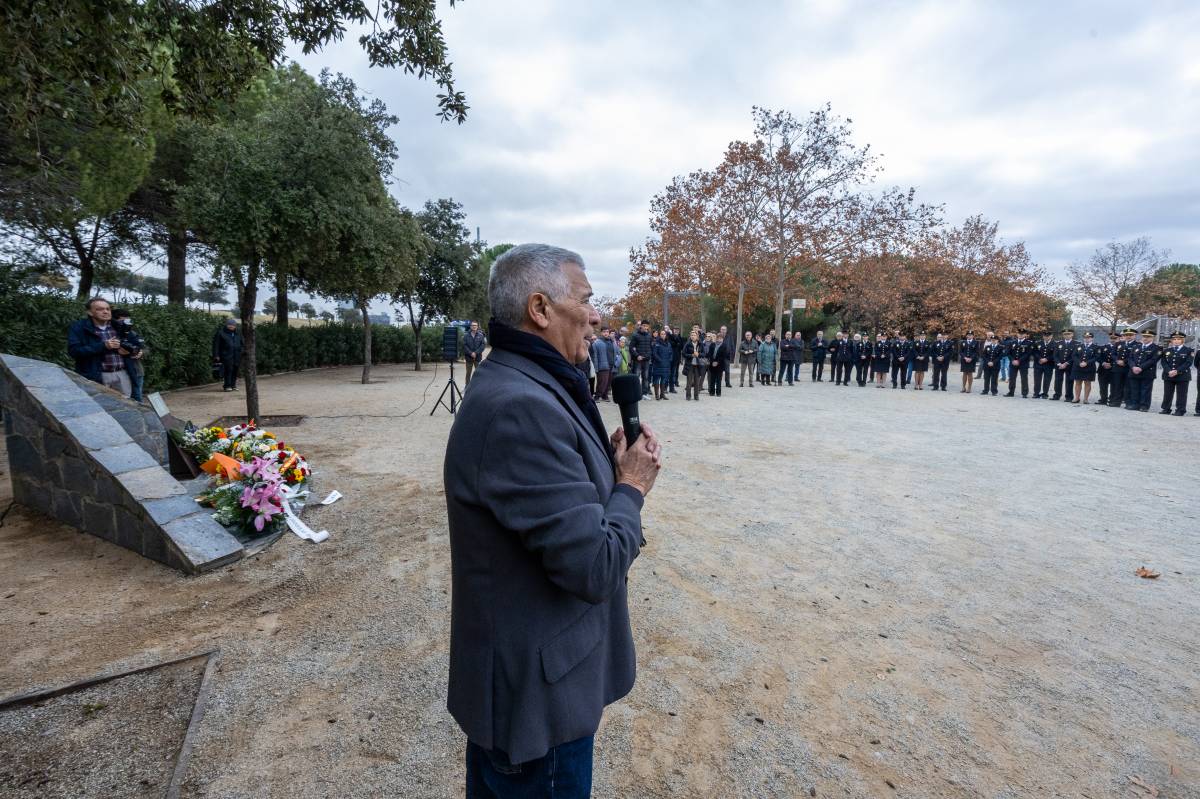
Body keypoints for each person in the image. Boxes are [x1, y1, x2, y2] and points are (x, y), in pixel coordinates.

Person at [443, 243, 662, 798]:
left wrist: (609, 474)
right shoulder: (522, 405)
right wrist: (632, 487)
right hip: (539, 709)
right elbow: (594, 567)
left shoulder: (528, 381)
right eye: (586, 301)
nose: (596, 318)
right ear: (540, 309)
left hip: (534, 690)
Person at [67, 297, 132, 395]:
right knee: (99, 406)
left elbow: (137, 345)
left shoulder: (119, 326)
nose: (105, 312)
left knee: (126, 407)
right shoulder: (79, 327)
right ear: (90, 312)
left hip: (121, 374)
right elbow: (74, 351)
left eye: (107, 309)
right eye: (100, 309)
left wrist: (135, 352)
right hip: (97, 375)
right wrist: (103, 346)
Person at [111, 308, 147, 402]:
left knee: (137, 398)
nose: (125, 323)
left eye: (127, 320)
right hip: (118, 373)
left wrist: (141, 352)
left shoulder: (132, 333)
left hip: (136, 371)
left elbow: (145, 348)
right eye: (122, 321)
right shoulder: (109, 333)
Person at [1158, 331, 1192, 416]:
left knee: (1181, 394)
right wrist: (1169, 371)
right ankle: (1166, 408)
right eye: (1174, 339)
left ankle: (1180, 410)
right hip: (1168, 375)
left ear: (1183, 340)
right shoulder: (1167, 351)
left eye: (1178, 339)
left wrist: (1177, 371)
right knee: (1167, 393)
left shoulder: (1188, 350)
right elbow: (1163, 362)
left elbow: (1188, 363)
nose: (1176, 341)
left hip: (1182, 376)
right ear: (1171, 341)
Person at [1126, 329, 1160, 412]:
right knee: (1134, 389)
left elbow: (1153, 360)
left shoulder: (1157, 348)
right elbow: (1130, 358)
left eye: (1148, 337)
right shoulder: (1136, 347)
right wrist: (1133, 367)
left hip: (1147, 372)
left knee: (1146, 390)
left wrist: (1141, 367)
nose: (1145, 338)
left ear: (1153, 338)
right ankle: (1135, 404)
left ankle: (1144, 406)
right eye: (1144, 336)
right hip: (1134, 371)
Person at [212, 318, 244, 392]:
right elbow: (216, 345)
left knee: (235, 370)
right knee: (228, 370)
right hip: (226, 355)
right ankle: (227, 385)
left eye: (233, 325)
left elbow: (242, 343)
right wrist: (216, 355)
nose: (231, 326)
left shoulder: (238, 334)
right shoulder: (221, 333)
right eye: (229, 325)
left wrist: (242, 351)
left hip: (236, 355)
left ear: (235, 326)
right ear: (226, 325)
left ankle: (233, 385)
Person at [1052, 329, 1080, 402]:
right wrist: (1059, 363)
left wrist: (1066, 363)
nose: (1067, 335)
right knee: (1058, 380)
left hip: (1070, 365)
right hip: (1059, 365)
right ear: (1063, 335)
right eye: (1065, 334)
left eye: (1069, 334)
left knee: (1069, 381)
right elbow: (1055, 355)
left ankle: (1069, 396)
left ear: (1072, 335)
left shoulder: (1077, 344)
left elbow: (1075, 356)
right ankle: (1057, 395)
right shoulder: (1058, 343)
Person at [1111, 327, 1137, 408]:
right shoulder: (1118, 344)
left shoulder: (1137, 345)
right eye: (1126, 335)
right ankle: (1116, 401)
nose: (1128, 336)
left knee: (1128, 386)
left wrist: (1124, 361)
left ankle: (1128, 402)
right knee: (1117, 385)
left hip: (1128, 368)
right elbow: (1113, 354)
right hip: (1118, 367)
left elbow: (1133, 356)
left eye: (1130, 335)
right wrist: (1117, 360)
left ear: (1134, 336)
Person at [1071, 332, 1099, 404]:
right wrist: (1079, 362)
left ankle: (1086, 399)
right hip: (1078, 367)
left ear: (1092, 338)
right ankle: (1077, 398)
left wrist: (1086, 363)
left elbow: (1096, 357)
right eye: (1085, 337)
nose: (1087, 339)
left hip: (1089, 368)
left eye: (1089, 337)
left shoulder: (1095, 347)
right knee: (1078, 382)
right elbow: (1074, 355)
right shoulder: (1078, 346)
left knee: (1087, 383)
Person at [1004, 328, 1033, 398]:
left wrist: (1019, 360)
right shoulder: (1012, 342)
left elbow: (1028, 354)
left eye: (1022, 334)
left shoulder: (1029, 343)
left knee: (1024, 378)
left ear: (1025, 335)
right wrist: (1012, 360)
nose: (1020, 335)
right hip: (1013, 363)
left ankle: (1024, 393)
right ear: (1017, 334)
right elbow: (1008, 353)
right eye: (1019, 334)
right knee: (1012, 378)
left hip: (1023, 363)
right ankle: (1011, 392)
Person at [630, 319, 654, 397]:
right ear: (641, 326)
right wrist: (637, 356)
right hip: (638, 360)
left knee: (646, 377)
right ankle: (635, 392)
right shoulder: (635, 335)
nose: (645, 327)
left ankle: (644, 393)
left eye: (646, 326)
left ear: (648, 327)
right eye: (644, 325)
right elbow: (631, 347)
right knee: (636, 376)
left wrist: (648, 356)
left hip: (646, 360)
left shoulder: (649, 335)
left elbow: (651, 348)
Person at [590, 327, 613, 401]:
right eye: (604, 332)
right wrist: (596, 368)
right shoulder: (597, 343)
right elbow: (595, 357)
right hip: (602, 366)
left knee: (608, 382)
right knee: (602, 382)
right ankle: (597, 396)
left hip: (611, 365)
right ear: (601, 333)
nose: (606, 333)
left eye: (607, 331)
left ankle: (604, 396)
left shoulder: (611, 341)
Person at [682, 330, 705, 400]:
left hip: (698, 365)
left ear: (697, 336)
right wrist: (691, 355)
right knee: (689, 381)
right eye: (691, 335)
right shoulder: (687, 344)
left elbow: (704, 354)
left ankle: (696, 396)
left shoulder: (700, 344)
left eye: (694, 335)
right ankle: (688, 396)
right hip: (689, 365)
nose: (693, 336)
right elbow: (683, 353)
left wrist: (699, 354)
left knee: (697, 381)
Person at [650, 328, 673, 401]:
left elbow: (671, 353)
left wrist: (670, 359)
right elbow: (654, 353)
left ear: (666, 335)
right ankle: (657, 395)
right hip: (658, 364)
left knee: (664, 380)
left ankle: (662, 394)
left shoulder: (668, 344)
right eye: (662, 334)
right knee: (656, 380)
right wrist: (660, 360)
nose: (663, 335)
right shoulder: (656, 343)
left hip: (666, 365)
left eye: (664, 334)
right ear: (659, 335)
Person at [1032, 331, 1055, 399]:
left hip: (1049, 364)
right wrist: (1040, 358)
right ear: (1043, 336)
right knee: (1037, 379)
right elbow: (1034, 352)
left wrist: (1047, 359)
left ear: (1051, 336)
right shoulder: (1038, 343)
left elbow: (1055, 354)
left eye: (1048, 336)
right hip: (1038, 364)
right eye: (1045, 336)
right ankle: (1036, 393)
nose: (1046, 337)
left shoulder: (1055, 344)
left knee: (1047, 380)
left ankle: (1045, 394)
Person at [463, 321, 487, 386]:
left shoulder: (481, 335)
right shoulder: (466, 335)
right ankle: (467, 387)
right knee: (468, 373)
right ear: (470, 326)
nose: (474, 326)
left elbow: (483, 345)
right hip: (469, 357)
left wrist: (476, 353)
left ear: (477, 327)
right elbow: (464, 345)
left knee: (478, 373)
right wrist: (471, 353)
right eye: (473, 325)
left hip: (478, 357)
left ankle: (478, 386)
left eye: (475, 325)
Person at [1095, 335, 1116, 406]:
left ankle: (1112, 400)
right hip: (1103, 369)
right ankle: (1103, 399)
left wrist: (1111, 364)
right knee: (1103, 385)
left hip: (1114, 370)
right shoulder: (1102, 347)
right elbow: (1098, 357)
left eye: (1115, 338)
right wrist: (1103, 363)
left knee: (1114, 385)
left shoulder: (1120, 348)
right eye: (1111, 338)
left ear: (1118, 339)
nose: (1113, 340)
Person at [706, 331, 728, 396]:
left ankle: (718, 392)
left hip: (720, 365)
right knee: (712, 379)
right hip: (712, 364)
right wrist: (712, 362)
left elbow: (724, 356)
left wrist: (717, 362)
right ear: (716, 338)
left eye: (721, 338)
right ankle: (711, 392)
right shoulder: (712, 344)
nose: (719, 339)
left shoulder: (724, 346)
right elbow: (710, 354)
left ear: (723, 339)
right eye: (718, 338)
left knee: (718, 379)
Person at [666, 325, 684, 394]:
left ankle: (671, 388)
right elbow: (671, 343)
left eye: (677, 330)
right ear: (673, 330)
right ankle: (665, 388)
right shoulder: (670, 336)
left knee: (673, 374)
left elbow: (682, 346)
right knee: (667, 373)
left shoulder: (680, 337)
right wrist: (677, 342)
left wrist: (676, 343)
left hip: (676, 358)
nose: (676, 331)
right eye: (675, 329)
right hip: (669, 358)